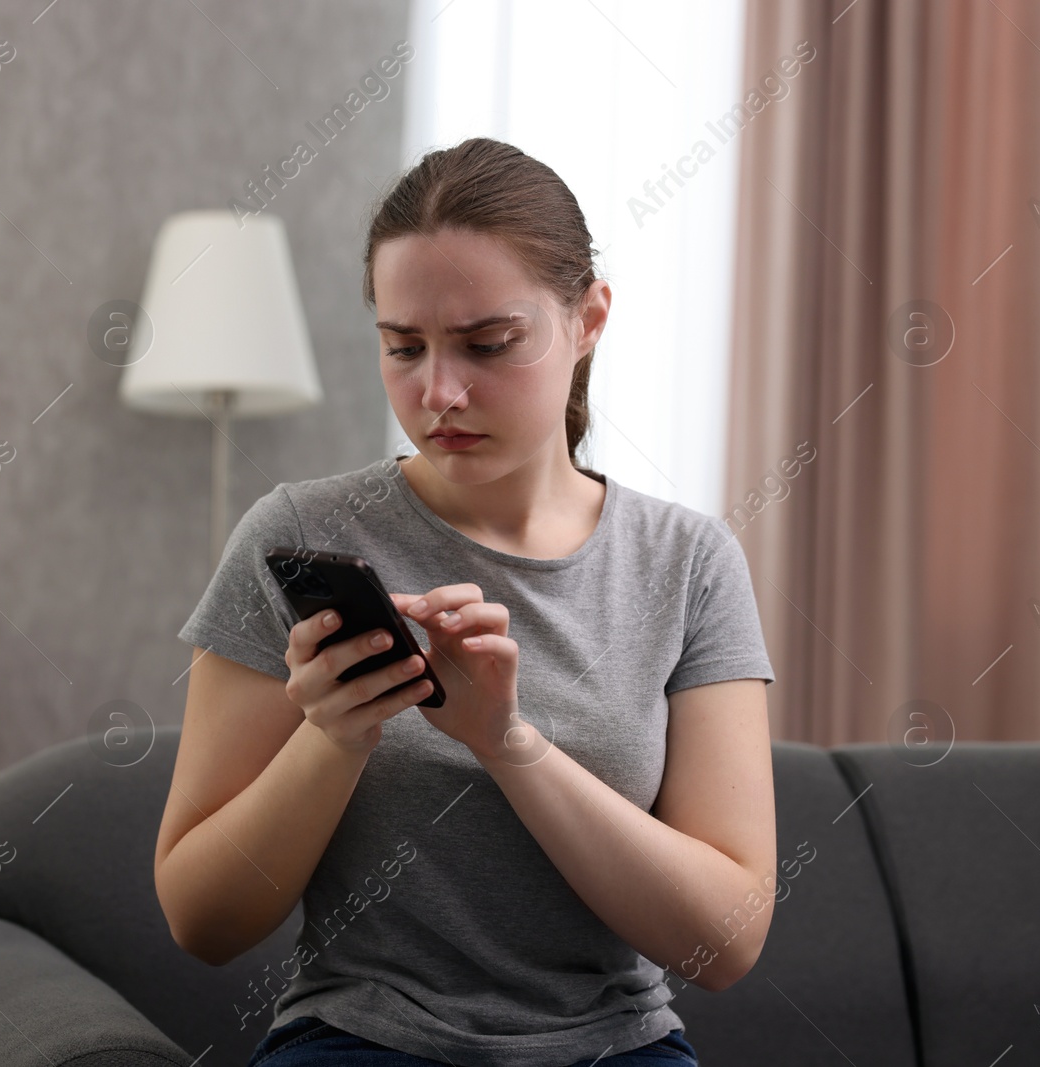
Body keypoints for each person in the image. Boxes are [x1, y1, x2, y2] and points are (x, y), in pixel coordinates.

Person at [155, 137, 777, 1067]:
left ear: (589, 318)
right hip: (358, 1041)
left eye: (490, 344)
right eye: (403, 347)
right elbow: (201, 918)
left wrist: (507, 741)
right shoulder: (298, 533)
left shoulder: (687, 563)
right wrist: (334, 735)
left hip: (616, 1048)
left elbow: (724, 942)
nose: (438, 392)